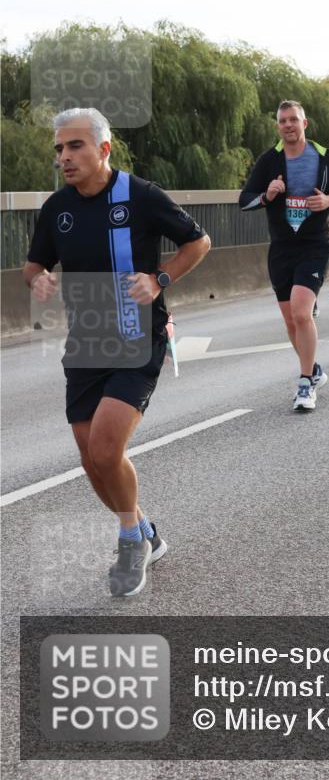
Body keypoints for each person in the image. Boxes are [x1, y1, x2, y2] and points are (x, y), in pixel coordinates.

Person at [24, 108, 211, 597]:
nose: (65, 157)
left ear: (103, 149)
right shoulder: (57, 207)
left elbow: (199, 241)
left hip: (138, 337)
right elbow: (34, 262)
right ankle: (145, 528)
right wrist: (38, 278)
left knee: (108, 449)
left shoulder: (141, 196)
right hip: (86, 341)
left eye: (75, 146)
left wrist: (159, 277)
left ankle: (131, 541)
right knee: (92, 462)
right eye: (60, 149)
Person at [239, 100, 329, 411]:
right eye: (283, 121)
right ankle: (314, 369)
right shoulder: (269, 160)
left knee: (303, 313)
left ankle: (305, 383)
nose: (288, 125)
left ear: (305, 124)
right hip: (281, 247)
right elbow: (244, 200)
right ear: (278, 127)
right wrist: (268, 194)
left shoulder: (327, 158)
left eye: (293, 120)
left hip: (315, 243)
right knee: (291, 321)